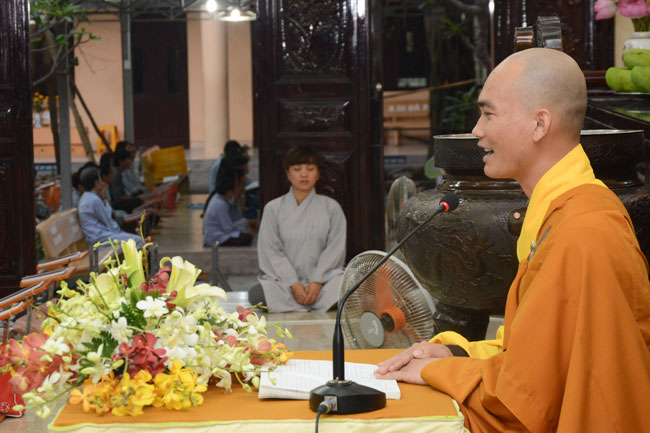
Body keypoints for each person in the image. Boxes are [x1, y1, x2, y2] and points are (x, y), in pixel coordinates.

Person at [375, 48, 650, 432]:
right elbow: (533, 351)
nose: (477, 130)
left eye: (489, 114)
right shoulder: (562, 212)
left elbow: (521, 400)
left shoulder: (582, 233)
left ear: (539, 124)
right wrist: (456, 351)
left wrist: (439, 370)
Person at [249, 146, 346, 313]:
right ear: (288, 174)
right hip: (284, 284)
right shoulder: (273, 208)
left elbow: (335, 249)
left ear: (318, 174)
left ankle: (311, 299)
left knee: (349, 287)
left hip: (324, 282)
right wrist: (294, 284)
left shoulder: (332, 208)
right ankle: (309, 301)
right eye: (297, 169)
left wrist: (317, 282)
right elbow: (272, 251)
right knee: (256, 294)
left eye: (310, 169)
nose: (304, 174)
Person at [78, 166, 143, 248]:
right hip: (99, 238)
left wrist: (103, 197)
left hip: (99, 236)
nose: (102, 182)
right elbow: (108, 221)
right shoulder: (94, 199)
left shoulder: (89, 197)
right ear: (96, 182)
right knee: (137, 240)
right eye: (100, 180)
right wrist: (119, 232)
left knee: (134, 239)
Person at [202, 165, 253, 247]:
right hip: (216, 237)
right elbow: (228, 228)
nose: (239, 189)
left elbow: (237, 219)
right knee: (246, 237)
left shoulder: (227, 202)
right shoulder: (220, 203)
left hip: (222, 233)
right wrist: (244, 231)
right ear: (229, 192)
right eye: (236, 187)